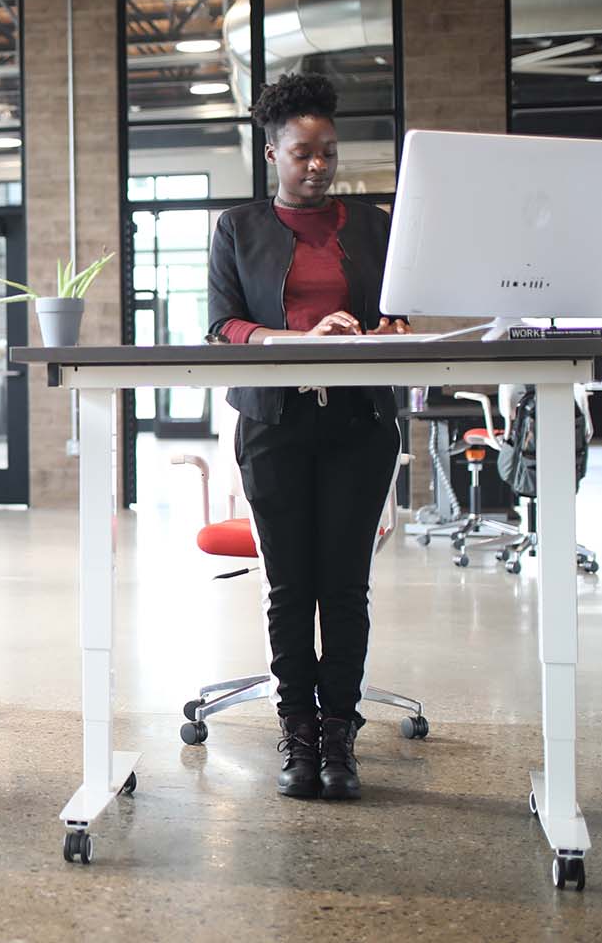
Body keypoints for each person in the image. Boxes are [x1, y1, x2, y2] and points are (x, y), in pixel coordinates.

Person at [205, 72, 406, 801]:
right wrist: (295, 335)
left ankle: (340, 732)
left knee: (345, 587)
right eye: (301, 153)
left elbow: (400, 310)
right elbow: (223, 324)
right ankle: (297, 729)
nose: (317, 165)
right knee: (291, 588)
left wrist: (390, 328)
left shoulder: (377, 224)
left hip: (359, 422)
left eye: (327, 152)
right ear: (271, 154)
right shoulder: (239, 228)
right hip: (273, 422)